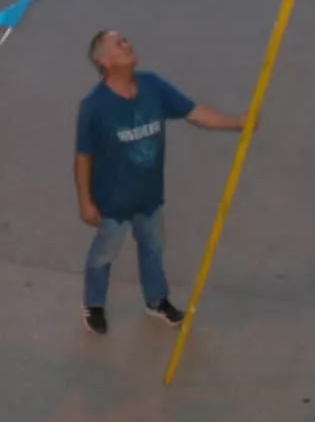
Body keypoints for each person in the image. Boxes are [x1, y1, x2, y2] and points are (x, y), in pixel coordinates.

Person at [75, 30, 247, 335]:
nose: (128, 45)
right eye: (120, 44)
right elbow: (83, 156)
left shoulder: (153, 86)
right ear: (104, 61)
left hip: (150, 197)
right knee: (103, 256)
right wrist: (86, 202)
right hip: (112, 202)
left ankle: (156, 301)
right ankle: (94, 304)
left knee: (153, 248)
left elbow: (195, 113)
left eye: (126, 40)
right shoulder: (94, 106)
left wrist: (238, 123)